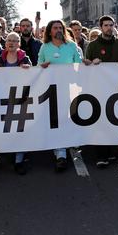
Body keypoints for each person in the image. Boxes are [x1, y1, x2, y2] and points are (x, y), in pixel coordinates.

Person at [37, 20, 82, 172]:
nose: (58, 30)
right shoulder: (45, 47)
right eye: (55, 28)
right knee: (56, 120)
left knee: (68, 118)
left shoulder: (71, 46)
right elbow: (38, 67)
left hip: (69, 89)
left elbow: (79, 65)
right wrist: (41, 67)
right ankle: (60, 154)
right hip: (51, 90)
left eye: (60, 28)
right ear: (49, 31)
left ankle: (69, 143)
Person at [84, 15, 118, 167]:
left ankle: (111, 151)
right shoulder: (93, 45)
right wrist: (91, 63)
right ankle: (101, 155)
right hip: (98, 89)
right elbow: (86, 65)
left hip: (115, 88)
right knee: (100, 122)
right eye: (106, 25)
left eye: (111, 25)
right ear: (101, 27)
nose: (109, 27)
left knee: (113, 120)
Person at [0, 32, 32, 174]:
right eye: (9, 40)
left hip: (20, 97)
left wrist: (28, 69)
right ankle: (3, 151)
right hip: (3, 98)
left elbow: (33, 77)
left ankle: (19, 160)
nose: (11, 43)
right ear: (5, 43)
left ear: (19, 44)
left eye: (15, 41)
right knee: (5, 126)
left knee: (19, 127)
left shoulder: (25, 58)